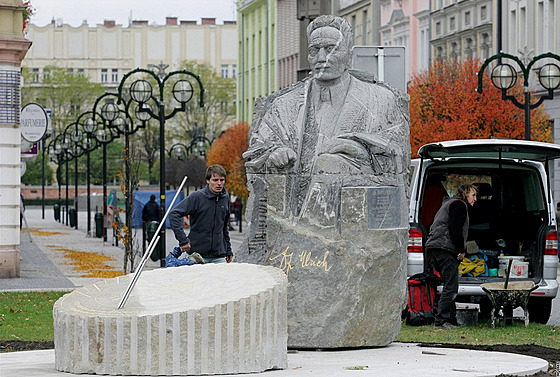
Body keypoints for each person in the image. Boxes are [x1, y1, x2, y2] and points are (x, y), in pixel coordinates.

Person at [243, 15, 408, 218]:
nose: (322, 57)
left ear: (348, 55)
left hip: (355, 222)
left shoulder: (381, 100)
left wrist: (360, 153)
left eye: (330, 49)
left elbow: (398, 159)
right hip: (293, 220)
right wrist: (274, 153)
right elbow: (257, 149)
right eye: (314, 50)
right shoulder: (284, 104)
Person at [425, 184, 477, 329]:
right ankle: (441, 321)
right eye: (473, 195)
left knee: (449, 283)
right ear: (465, 194)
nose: (475, 199)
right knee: (451, 286)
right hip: (444, 247)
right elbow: (455, 229)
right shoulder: (459, 205)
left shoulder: (448, 203)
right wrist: (461, 249)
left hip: (435, 246)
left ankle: (451, 319)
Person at [169, 164, 233, 263]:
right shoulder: (197, 197)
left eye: (222, 180)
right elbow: (174, 214)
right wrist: (183, 240)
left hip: (219, 256)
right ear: (208, 181)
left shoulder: (225, 198)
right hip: (197, 255)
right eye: (215, 180)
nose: (219, 183)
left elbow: (224, 226)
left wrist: (228, 250)